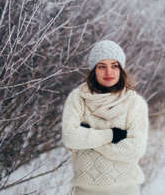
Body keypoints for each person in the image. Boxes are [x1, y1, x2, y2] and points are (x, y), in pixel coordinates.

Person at [62, 40, 149, 195]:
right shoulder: (78, 98)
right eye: (102, 66)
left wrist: (89, 140)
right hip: (85, 191)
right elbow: (70, 137)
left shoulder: (135, 103)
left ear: (121, 69)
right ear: (93, 70)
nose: (109, 72)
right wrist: (112, 135)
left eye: (114, 66)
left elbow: (135, 149)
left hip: (125, 190)